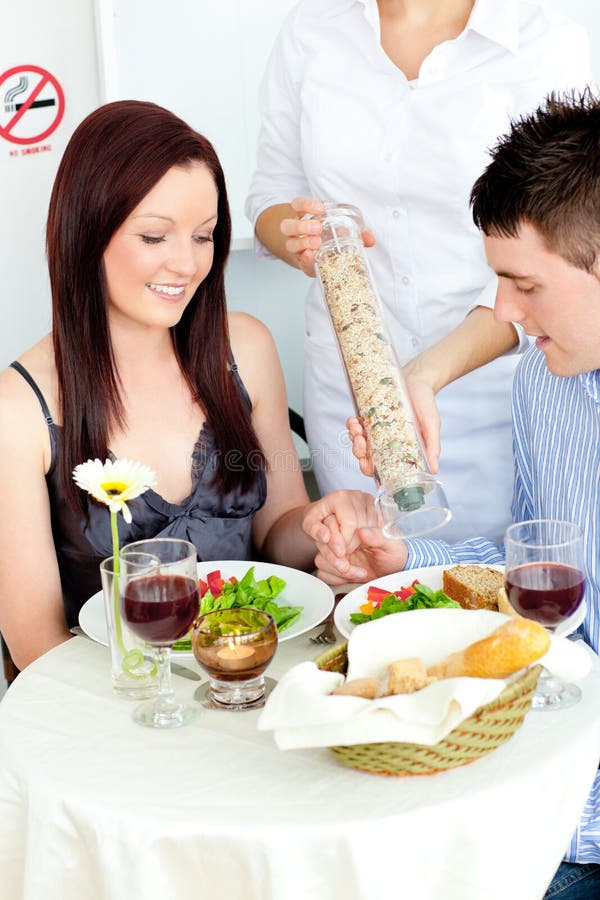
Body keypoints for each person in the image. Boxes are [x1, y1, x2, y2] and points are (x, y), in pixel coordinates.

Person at [306, 89, 600, 898]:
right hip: (537, 798)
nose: (501, 312)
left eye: (523, 284)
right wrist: (401, 560)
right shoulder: (546, 380)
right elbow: (535, 571)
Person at [0, 100, 377, 673]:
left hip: (246, 680)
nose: (186, 264)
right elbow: (36, 651)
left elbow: (279, 538)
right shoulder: (19, 408)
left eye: (204, 236)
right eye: (154, 237)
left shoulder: (244, 349)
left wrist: (320, 523)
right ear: (86, 232)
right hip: (113, 712)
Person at [246, 0, 592, 543]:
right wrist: (300, 238)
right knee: (380, 581)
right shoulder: (312, 30)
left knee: (508, 584)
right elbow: (271, 191)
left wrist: (423, 376)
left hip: (497, 384)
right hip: (356, 386)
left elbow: (564, 247)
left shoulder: (544, 43)